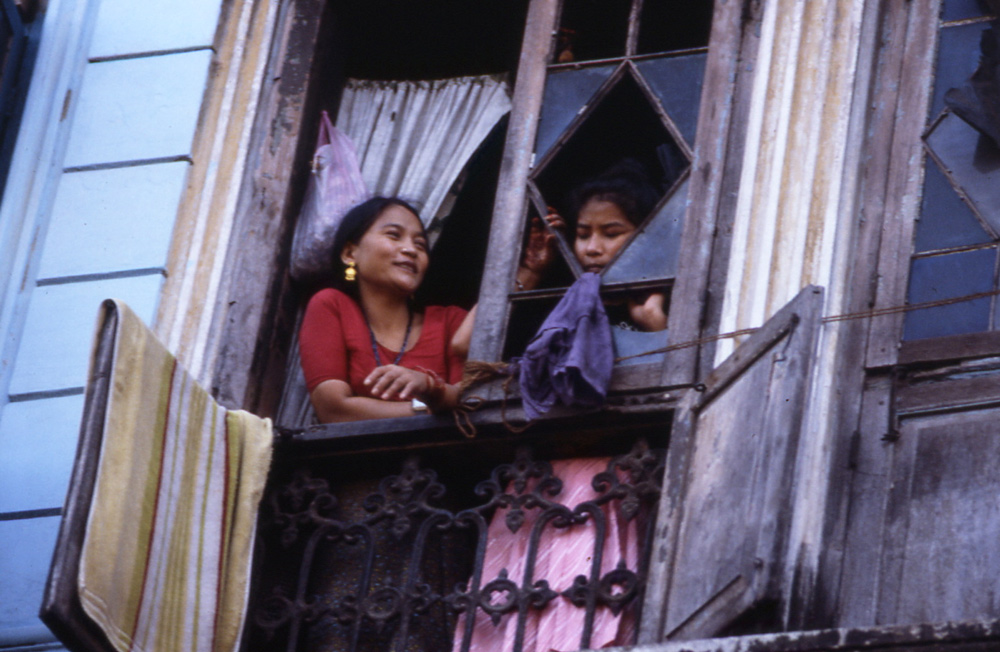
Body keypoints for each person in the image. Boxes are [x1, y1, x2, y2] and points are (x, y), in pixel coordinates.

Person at [450, 159, 666, 359]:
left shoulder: (670, 300)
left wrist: (654, 323)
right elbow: (465, 345)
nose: (592, 248)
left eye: (611, 234)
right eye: (582, 235)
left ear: (646, 237)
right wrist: (531, 271)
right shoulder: (560, 305)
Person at [299, 196, 469, 423]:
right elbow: (333, 409)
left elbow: (469, 401)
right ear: (351, 253)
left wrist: (428, 385)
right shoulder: (331, 306)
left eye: (420, 244)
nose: (410, 249)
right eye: (393, 235)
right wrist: (429, 406)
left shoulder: (451, 321)